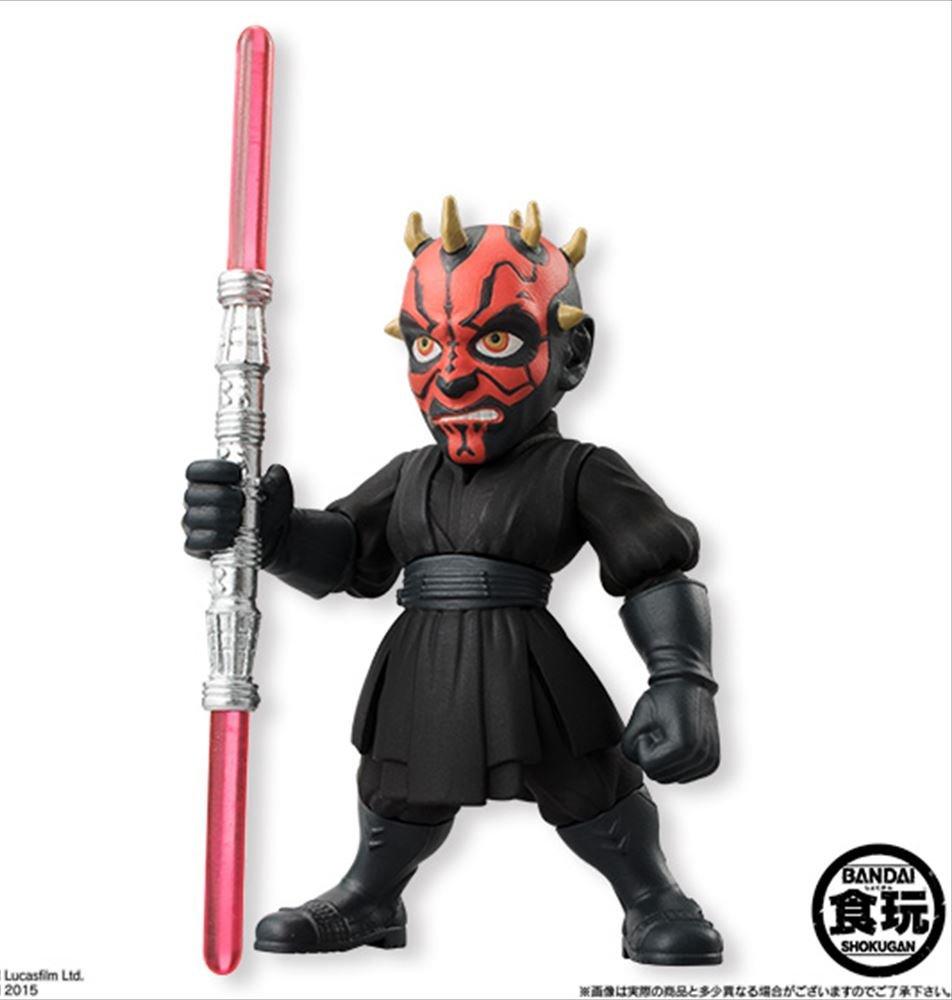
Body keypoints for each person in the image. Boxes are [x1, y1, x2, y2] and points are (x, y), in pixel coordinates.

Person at [183, 198, 724, 965]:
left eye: (497, 339)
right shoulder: (411, 475)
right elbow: (350, 555)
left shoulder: (577, 471)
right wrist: (264, 533)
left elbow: (655, 565)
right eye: (428, 345)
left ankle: (651, 896)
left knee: (587, 783)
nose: (456, 374)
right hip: (424, 659)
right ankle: (371, 895)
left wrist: (681, 678)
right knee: (397, 780)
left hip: (529, 663)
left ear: (570, 354)